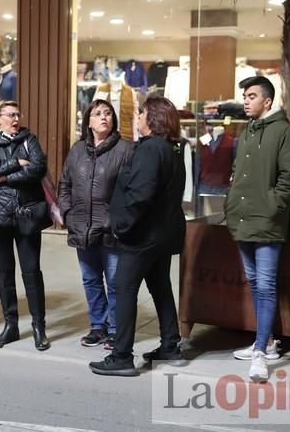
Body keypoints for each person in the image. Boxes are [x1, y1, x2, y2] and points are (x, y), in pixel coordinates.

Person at [89, 96, 187, 377]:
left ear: (152, 118)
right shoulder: (172, 149)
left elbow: (140, 195)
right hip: (164, 234)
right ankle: (170, 346)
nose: (138, 117)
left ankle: (121, 356)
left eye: (141, 113)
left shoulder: (150, 149)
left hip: (143, 235)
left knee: (123, 288)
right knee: (160, 287)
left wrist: (121, 224)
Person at [226, 76, 290, 382]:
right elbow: (237, 172)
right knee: (256, 283)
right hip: (244, 220)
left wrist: (273, 207)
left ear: (267, 101)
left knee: (266, 286)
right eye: (245, 95)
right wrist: (233, 202)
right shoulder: (248, 131)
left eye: (252, 95)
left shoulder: (282, 132)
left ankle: (259, 354)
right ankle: (267, 342)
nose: (246, 100)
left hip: (268, 222)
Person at [0, 101, 51, 351]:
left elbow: (39, 168)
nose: (16, 118)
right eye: (10, 114)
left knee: (32, 272)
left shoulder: (29, 139)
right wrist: (17, 164)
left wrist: (4, 178)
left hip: (26, 211)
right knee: (4, 273)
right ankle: (11, 325)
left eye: (18, 114)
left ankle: (39, 327)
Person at [58, 100, 132, 349]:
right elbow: (65, 184)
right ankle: (97, 326)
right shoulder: (77, 150)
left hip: (110, 229)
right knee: (90, 279)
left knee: (114, 281)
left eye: (108, 113)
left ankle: (114, 329)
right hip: (81, 226)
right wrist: (67, 213)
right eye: (98, 113)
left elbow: (130, 190)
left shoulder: (125, 150)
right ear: (88, 121)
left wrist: (117, 219)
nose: (104, 117)